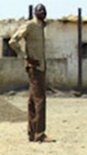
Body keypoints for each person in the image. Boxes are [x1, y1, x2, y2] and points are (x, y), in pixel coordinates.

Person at [8, 4, 54, 143]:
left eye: (44, 10)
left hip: (41, 66)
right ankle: (39, 133)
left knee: (33, 100)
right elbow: (13, 41)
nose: (43, 12)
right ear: (35, 12)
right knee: (40, 100)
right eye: (40, 10)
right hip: (35, 67)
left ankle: (32, 132)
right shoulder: (30, 26)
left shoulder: (41, 27)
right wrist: (25, 56)